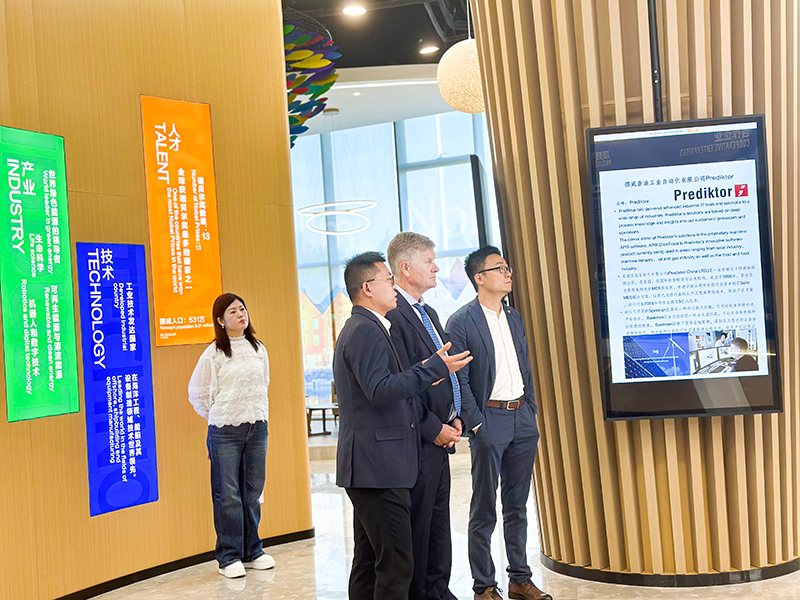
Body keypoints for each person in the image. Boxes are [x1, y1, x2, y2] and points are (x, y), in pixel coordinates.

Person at [334, 251, 472, 600]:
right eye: (388, 280)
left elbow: (388, 386)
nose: (394, 286)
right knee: (396, 566)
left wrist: (426, 374)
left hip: (375, 466)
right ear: (367, 288)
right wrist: (432, 369)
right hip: (378, 467)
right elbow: (380, 390)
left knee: (370, 563)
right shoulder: (365, 330)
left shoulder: (372, 327)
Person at [446, 247, 551, 600]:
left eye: (507, 267)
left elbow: (525, 368)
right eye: (499, 268)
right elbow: (458, 379)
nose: (508, 273)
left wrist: (530, 409)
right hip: (489, 419)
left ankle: (520, 579)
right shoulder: (461, 321)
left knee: (517, 506)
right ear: (480, 278)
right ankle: (484, 586)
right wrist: (476, 423)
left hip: (522, 417)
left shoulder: (514, 316)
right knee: (484, 508)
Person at [385, 232, 461, 600]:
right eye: (429, 261)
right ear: (405, 267)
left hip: (442, 434)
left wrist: (455, 415)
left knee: (438, 524)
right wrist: (433, 429)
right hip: (418, 439)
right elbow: (402, 385)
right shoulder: (393, 315)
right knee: (420, 526)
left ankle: (439, 590)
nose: (436, 268)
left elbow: (442, 370)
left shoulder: (427, 313)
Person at [188, 293, 274, 579]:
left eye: (242, 309)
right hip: (225, 430)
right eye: (233, 311)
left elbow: (264, 383)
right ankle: (228, 556)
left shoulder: (258, 348)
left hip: (257, 427)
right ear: (221, 321)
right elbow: (199, 394)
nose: (241, 314)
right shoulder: (214, 353)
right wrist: (222, 414)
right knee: (228, 495)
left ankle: (253, 551)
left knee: (252, 492)